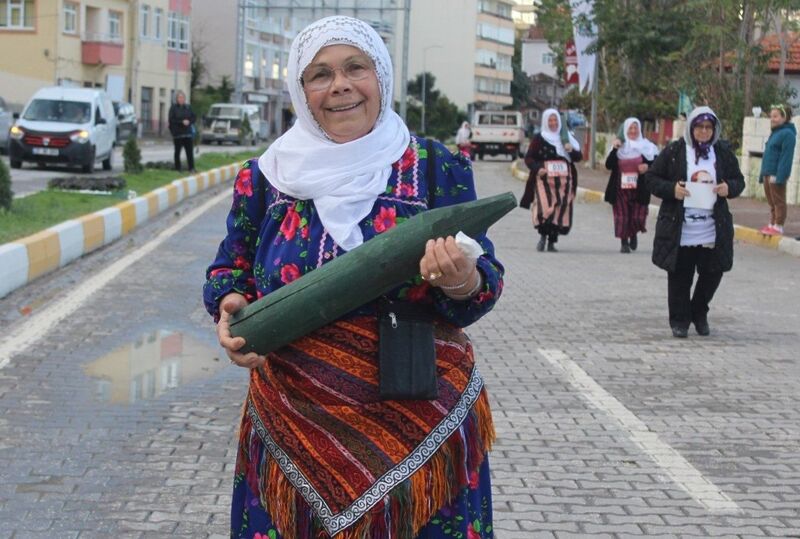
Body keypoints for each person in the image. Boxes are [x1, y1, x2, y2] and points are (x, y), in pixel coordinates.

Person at [203, 16, 503, 539]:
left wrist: (460, 281)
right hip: (294, 425)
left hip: (422, 422)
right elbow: (230, 268)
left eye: (354, 68)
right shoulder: (266, 179)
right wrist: (230, 305)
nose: (339, 85)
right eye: (319, 75)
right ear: (302, 92)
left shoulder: (436, 166)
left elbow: (484, 282)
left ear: (381, 77)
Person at [644, 106, 744, 338]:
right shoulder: (675, 151)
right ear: (691, 128)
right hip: (681, 227)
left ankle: (699, 311)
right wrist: (672, 189)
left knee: (713, 272)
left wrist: (729, 188)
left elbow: (738, 180)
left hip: (712, 226)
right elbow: (651, 178)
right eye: (699, 127)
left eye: (708, 127)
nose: (704, 132)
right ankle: (679, 319)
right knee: (680, 275)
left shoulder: (722, 153)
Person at [519, 108, 583, 252]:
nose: (553, 123)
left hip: (565, 181)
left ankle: (552, 241)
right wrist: (537, 168)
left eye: (555, 120)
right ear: (545, 122)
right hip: (545, 179)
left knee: (560, 208)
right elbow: (529, 158)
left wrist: (570, 149)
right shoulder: (539, 139)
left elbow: (578, 157)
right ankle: (542, 237)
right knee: (544, 207)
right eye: (550, 120)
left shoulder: (566, 138)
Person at [604, 117, 658, 253]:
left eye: (635, 128)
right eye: (630, 129)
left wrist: (647, 166)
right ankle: (624, 242)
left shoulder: (647, 147)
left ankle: (633, 232)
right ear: (625, 131)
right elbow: (609, 165)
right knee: (622, 216)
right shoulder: (619, 147)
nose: (633, 131)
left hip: (639, 188)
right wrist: (615, 148)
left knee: (637, 217)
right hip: (620, 188)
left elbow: (657, 165)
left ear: (639, 130)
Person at [759, 103, 796, 236]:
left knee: (778, 201)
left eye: (775, 116)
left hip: (776, 174)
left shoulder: (788, 134)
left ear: (784, 117)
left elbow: (786, 157)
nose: (772, 119)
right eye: (771, 116)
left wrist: (780, 176)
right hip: (768, 173)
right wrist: (762, 174)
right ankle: (772, 223)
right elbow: (768, 155)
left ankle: (779, 226)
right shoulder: (775, 133)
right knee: (771, 202)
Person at [168, 90, 196, 172]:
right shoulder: (173, 108)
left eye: (182, 97)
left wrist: (189, 122)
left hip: (187, 133)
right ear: (177, 99)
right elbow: (171, 120)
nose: (181, 99)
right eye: (179, 97)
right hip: (178, 133)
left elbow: (193, 117)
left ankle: (191, 168)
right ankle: (178, 168)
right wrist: (181, 122)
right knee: (177, 152)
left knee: (189, 152)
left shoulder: (188, 107)